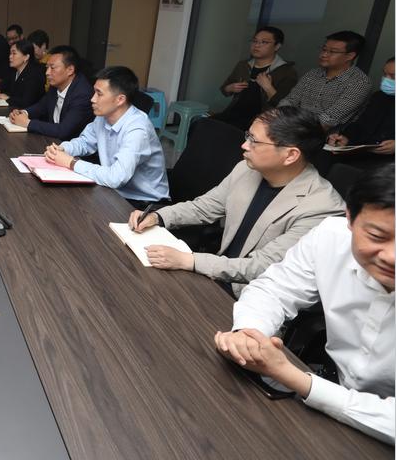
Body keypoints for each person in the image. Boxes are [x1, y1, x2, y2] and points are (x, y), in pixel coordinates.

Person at [213, 164, 394, 444]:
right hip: (330, 402)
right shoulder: (331, 237)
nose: (391, 257)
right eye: (377, 236)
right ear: (350, 218)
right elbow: (273, 288)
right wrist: (251, 334)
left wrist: (297, 379)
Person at [128, 106, 344, 291]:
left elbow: (262, 267)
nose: (244, 145)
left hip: (255, 297)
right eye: (248, 136)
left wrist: (189, 260)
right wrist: (158, 217)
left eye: (254, 141)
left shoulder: (322, 208)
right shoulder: (246, 169)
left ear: (290, 155)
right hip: (217, 275)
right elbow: (205, 207)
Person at [43, 66, 169, 206]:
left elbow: (116, 178)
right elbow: (85, 142)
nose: (92, 99)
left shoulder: (137, 129)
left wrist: (71, 162)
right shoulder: (104, 116)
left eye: (99, 94)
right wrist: (63, 149)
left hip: (143, 202)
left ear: (120, 99)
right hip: (114, 191)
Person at [279, 30, 372, 130]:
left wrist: (289, 128)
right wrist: (276, 118)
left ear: (350, 56)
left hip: (324, 135)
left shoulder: (360, 82)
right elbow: (290, 100)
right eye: (324, 49)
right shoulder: (313, 73)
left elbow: (328, 120)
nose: (323, 55)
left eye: (332, 52)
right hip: (291, 126)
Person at [213, 26, 298, 130]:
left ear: (277, 46)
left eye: (264, 42)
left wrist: (268, 87)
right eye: (254, 41)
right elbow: (224, 89)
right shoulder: (243, 65)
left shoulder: (287, 71)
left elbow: (286, 108)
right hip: (233, 114)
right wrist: (230, 88)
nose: (257, 45)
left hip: (261, 123)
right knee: (202, 125)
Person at [8, 45, 93, 140]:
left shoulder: (82, 94)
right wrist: (23, 113)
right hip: (52, 140)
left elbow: (63, 131)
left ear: (70, 70)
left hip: (70, 145)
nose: (47, 73)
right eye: (47, 67)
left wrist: (27, 123)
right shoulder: (56, 84)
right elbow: (41, 106)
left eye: (52, 68)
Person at [324, 57, 395, 169]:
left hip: (389, 165)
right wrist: (345, 138)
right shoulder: (379, 97)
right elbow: (361, 125)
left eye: (393, 76)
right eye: (385, 74)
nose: (386, 79)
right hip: (363, 155)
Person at [0, 39, 46, 109]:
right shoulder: (14, 70)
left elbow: (26, 102)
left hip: (30, 113)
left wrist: (8, 98)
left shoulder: (34, 74)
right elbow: (4, 83)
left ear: (26, 57)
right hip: (15, 109)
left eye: (14, 53)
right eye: (10, 53)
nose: (10, 56)